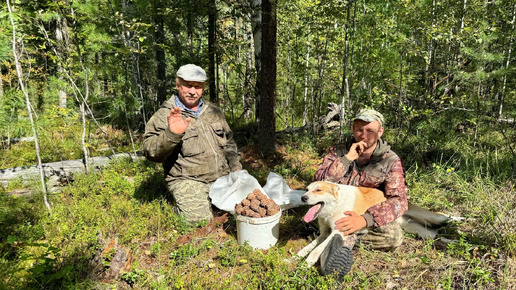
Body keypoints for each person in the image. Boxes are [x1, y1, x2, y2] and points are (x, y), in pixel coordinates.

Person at [313, 109, 408, 281]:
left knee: (394, 236)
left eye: (370, 130)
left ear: (380, 132)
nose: (363, 135)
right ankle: (335, 248)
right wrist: (347, 158)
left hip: (366, 212)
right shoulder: (339, 151)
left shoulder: (390, 160)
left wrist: (364, 220)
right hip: (336, 211)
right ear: (352, 129)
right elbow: (319, 182)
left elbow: (398, 200)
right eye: (359, 130)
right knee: (324, 220)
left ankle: (337, 243)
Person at [143, 64, 242, 224]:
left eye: (198, 87)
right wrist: (172, 134)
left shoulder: (213, 111)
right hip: (188, 179)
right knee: (199, 222)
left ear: (203, 88)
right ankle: (180, 205)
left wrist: (235, 166)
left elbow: (229, 141)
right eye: (188, 85)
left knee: (246, 209)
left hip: (221, 176)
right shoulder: (164, 115)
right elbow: (150, 152)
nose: (192, 91)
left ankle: (210, 202)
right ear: (178, 85)